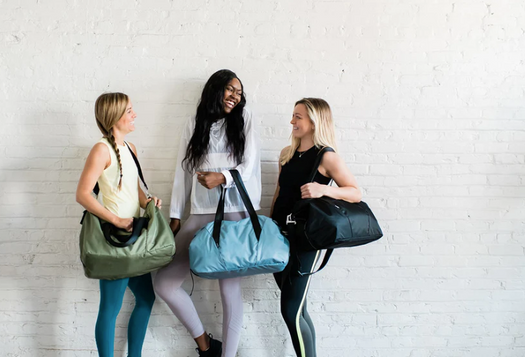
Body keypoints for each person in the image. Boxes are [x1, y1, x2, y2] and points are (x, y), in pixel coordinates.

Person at [153, 69, 261, 357]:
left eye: (239, 92)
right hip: (201, 214)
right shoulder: (194, 124)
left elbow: (248, 166)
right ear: (215, 90)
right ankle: (205, 345)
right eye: (229, 90)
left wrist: (222, 177)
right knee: (164, 283)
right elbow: (182, 171)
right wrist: (176, 215)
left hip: (235, 215)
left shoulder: (245, 120)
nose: (235, 97)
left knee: (229, 291)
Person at [270, 98, 362, 357]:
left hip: (306, 239)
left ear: (314, 121)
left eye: (298, 116)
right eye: (293, 115)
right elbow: (278, 194)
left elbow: (355, 192)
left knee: (290, 310)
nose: (292, 121)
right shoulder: (286, 153)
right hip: (279, 235)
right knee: (299, 308)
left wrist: (323, 189)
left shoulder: (327, 156)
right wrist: (269, 226)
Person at [76, 93, 161, 357]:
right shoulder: (101, 149)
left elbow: (133, 189)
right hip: (115, 239)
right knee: (110, 309)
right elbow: (83, 194)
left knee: (146, 298)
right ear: (115, 116)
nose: (135, 115)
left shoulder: (131, 148)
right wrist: (116, 220)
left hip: (134, 236)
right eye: (130, 111)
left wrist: (148, 201)